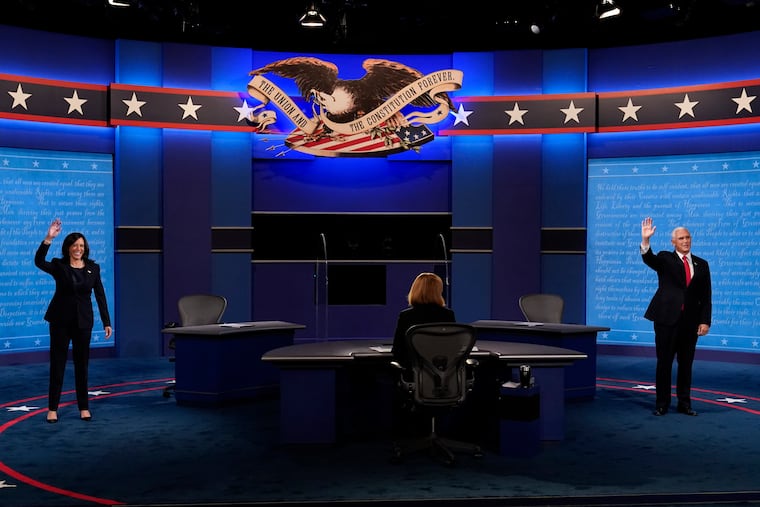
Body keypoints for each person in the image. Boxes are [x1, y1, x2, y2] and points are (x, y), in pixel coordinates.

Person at [35, 218, 113, 423]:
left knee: (82, 366)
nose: (78, 248)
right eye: (74, 245)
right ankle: (52, 409)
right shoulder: (59, 266)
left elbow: (100, 295)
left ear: (84, 248)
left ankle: (84, 407)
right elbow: (39, 262)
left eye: (81, 245)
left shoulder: (93, 269)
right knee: (58, 365)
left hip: (83, 323)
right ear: (68, 247)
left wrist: (107, 321)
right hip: (60, 321)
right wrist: (48, 238)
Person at [640, 217, 711, 417]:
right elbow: (649, 259)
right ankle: (662, 404)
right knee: (664, 362)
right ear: (673, 242)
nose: (685, 241)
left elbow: (706, 296)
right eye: (681, 238)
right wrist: (645, 241)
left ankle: (684, 403)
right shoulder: (665, 259)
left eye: (688, 237)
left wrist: (705, 320)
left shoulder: (702, 264)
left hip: (690, 322)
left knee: (686, 364)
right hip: (666, 320)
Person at [391, 272, 456, 370]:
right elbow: (453, 347)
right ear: (439, 291)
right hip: (442, 371)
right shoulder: (448, 315)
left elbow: (397, 350)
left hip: (414, 372)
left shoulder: (406, 316)